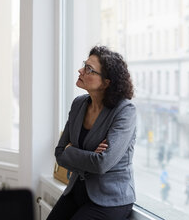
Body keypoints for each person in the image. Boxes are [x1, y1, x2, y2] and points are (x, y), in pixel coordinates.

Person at [47, 46, 136, 220]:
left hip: (110, 198)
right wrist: (89, 156)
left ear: (106, 82)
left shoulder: (125, 111)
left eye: (89, 69)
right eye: (84, 65)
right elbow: (59, 153)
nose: (80, 70)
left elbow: (102, 164)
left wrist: (71, 151)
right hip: (77, 190)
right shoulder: (78, 104)